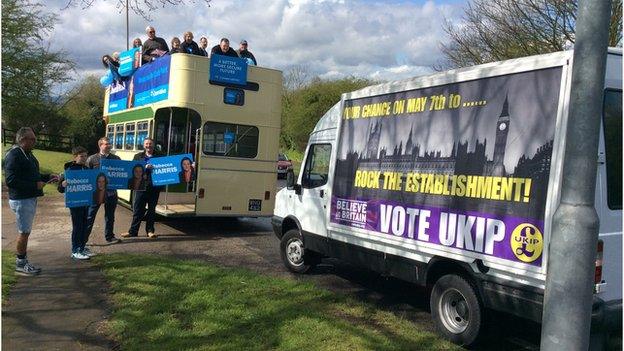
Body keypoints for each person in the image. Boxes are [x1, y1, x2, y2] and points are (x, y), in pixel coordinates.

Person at [4, 127, 59, 275]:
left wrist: (48, 176)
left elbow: (34, 174)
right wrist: (34, 185)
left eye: (35, 139)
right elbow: (10, 181)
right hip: (21, 200)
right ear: (22, 140)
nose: (35, 141)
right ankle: (20, 264)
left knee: (25, 231)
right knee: (24, 232)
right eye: (32, 139)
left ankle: (22, 262)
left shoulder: (28, 154)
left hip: (29, 198)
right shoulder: (14, 155)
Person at [122, 138, 163, 239]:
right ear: (144, 145)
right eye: (147, 144)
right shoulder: (138, 156)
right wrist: (145, 167)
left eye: (150, 144)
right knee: (137, 210)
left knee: (151, 211)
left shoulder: (160, 156)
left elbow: (167, 168)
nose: (148, 146)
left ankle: (150, 231)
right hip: (140, 187)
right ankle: (133, 231)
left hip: (154, 187)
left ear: (154, 145)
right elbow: (132, 169)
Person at [85, 137, 122, 245]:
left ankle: (110, 236)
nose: (109, 146)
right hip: (96, 193)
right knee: (90, 216)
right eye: (106, 144)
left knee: (110, 216)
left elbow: (122, 173)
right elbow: (87, 175)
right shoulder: (92, 159)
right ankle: (84, 238)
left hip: (111, 193)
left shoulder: (116, 159)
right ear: (100, 145)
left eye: (110, 144)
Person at [57, 146, 92, 260]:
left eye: (86, 156)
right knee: (77, 226)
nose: (84, 158)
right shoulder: (69, 170)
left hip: (86, 202)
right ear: (75, 157)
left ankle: (81, 247)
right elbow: (60, 189)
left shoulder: (87, 170)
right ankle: (75, 250)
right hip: (75, 203)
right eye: (82, 156)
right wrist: (63, 185)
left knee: (84, 225)